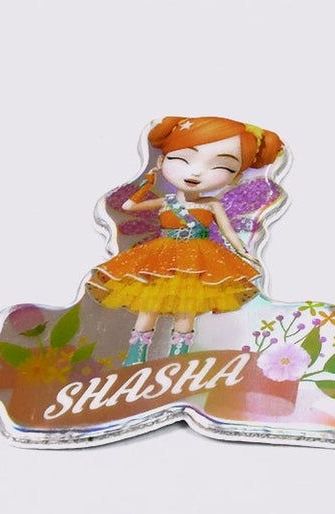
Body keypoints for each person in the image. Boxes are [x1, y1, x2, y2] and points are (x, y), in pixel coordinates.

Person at [87, 115, 283, 365]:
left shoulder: (212, 204)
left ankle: (177, 360)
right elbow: (128, 206)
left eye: (221, 166)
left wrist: (244, 252)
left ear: (235, 177)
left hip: (198, 260)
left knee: (186, 311)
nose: (197, 171)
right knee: (148, 308)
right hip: (160, 258)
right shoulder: (166, 201)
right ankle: (135, 358)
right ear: (162, 160)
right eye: (182, 159)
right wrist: (148, 182)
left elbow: (229, 232)